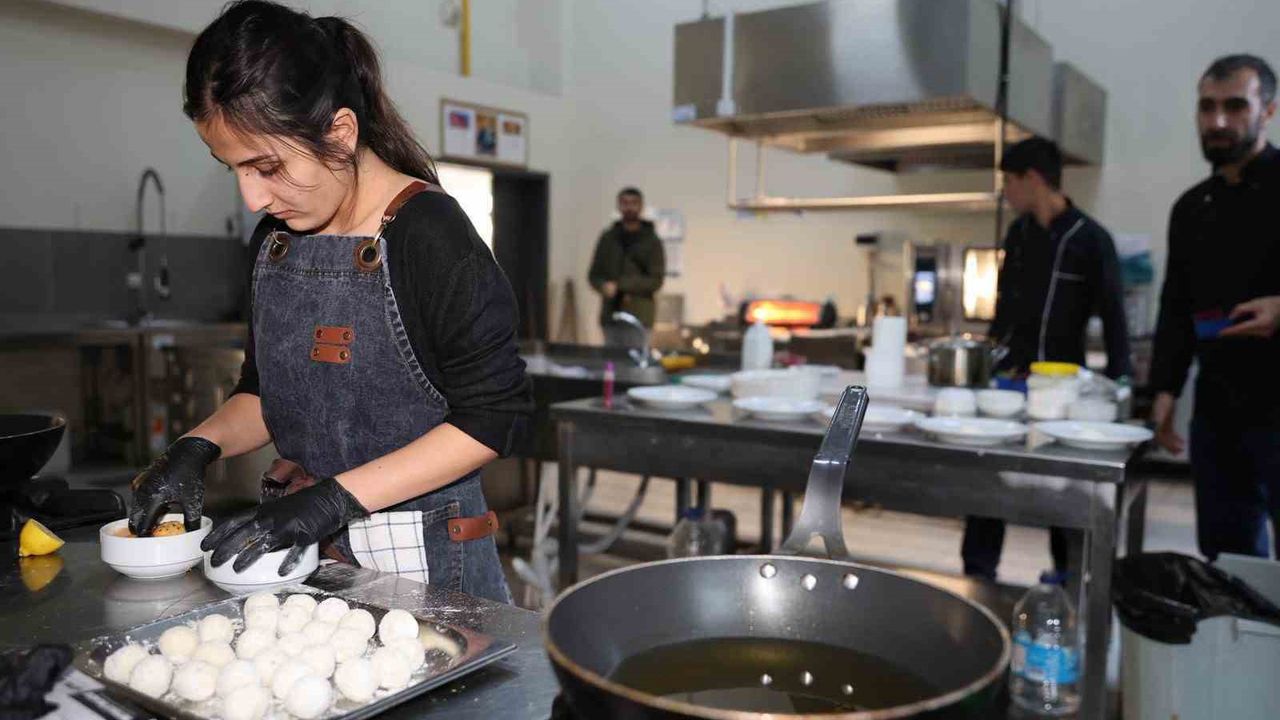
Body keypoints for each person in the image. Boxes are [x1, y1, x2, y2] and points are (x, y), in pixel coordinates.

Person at [126, 1, 529, 603]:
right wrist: (197, 446)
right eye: (233, 169)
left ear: (340, 133)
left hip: (427, 564)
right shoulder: (276, 243)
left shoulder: (429, 236)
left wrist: (334, 500)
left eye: (266, 166)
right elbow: (266, 394)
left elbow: (493, 418)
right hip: (303, 551)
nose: (253, 198)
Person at [962, 136, 1132, 581]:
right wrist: (986, 363)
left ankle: (1070, 577)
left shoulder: (1091, 239)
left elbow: (1114, 318)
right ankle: (977, 576)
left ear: (1033, 179)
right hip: (1009, 383)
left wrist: (1122, 385)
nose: (1006, 193)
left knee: (1064, 492)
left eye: (1009, 182)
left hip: (1063, 391)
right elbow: (1003, 311)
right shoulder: (1018, 236)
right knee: (989, 482)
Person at [1150, 54, 1280, 561]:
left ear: (1267, 111)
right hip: (1218, 413)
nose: (1218, 120)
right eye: (1207, 107)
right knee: (1228, 562)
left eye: (1235, 106)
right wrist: (1164, 389)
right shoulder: (1190, 208)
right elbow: (1176, 308)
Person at [588, 187, 666, 329]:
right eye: (625, 203)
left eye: (634, 203)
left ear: (641, 206)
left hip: (640, 314)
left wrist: (621, 285)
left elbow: (656, 280)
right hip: (610, 313)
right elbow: (594, 275)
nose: (629, 208)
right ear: (618, 206)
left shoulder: (651, 241)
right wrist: (603, 286)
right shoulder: (608, 238)